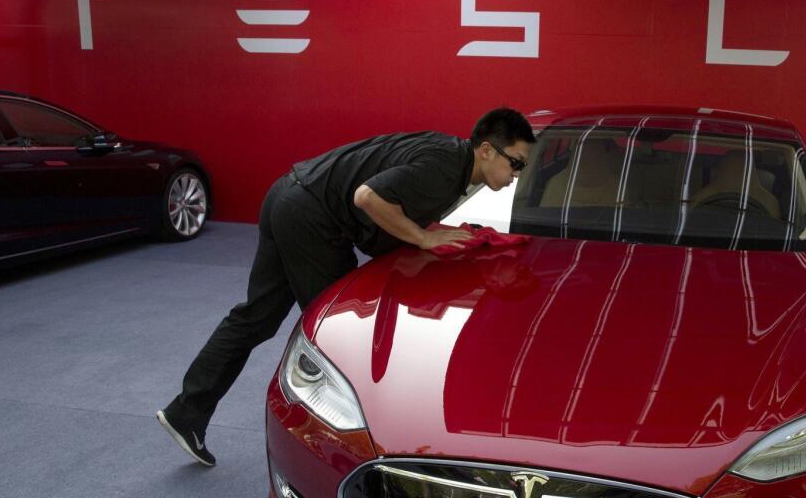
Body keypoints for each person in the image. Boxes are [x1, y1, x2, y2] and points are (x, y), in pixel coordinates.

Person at [157, 107, 536, 466]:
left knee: (257, 317)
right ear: (486, 151)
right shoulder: (444, 167)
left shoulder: (446, 154)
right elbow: (366, 197)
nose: (517, 174)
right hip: (309, 216)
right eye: (515, 163)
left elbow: (377, 215)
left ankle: (186, 413)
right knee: (340, 332)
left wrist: (426, 233)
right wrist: (423, 237)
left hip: (288, 195)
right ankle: (345, 455)